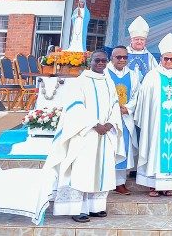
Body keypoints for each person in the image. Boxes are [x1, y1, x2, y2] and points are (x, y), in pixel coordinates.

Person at [46, 51, 123, 222]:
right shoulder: (80, 82)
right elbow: (75, 107)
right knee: (83, 170)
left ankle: (96, 207)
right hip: (85, 133)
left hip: (104, 135)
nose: (101, 63)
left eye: (104, 60)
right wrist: (95, 125)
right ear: (90, 61)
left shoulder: (109, 82)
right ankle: (77, 208)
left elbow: (115, 106)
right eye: (97, 60)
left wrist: (110, 124)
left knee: (100, 170)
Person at [134, 33, 172, 197]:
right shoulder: (151, 76)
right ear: (161, 58)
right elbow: (143, 101)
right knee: (154, 148)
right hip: (156, 123)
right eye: (166, 59)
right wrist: (147, 120)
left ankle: (168, 184)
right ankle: (152, 184)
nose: (168, 62)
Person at [105, 45, 141, 195]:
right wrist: (113, 108)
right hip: (108, 118)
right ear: (111, 58)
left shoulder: (133, 75)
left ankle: (120, 183)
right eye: (118, 57)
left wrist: (128, 107)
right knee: (109, 149)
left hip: (125, 117)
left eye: (125, 57)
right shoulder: (104, 73)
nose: (121, 60)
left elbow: (136, 95)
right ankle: (106, 181)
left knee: (123, 149)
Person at [126, 16, 158, 81]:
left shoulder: (149, 57)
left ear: (145, 41)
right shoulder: (124, 53)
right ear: (131, 40)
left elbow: (155, 74)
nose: (139, 42)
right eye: (136, 39)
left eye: (142, 39)